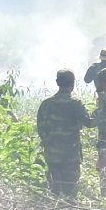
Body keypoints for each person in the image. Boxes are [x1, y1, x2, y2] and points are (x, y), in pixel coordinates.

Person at [35, 69, 90, 200]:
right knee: (70, 192)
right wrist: (102, 109)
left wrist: (49, 143)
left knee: (55, 190)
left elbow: (40, 128)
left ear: (57, 82)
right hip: (71, 154)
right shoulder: (76, 103)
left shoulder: (46, 104)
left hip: (52, 154)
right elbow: (89, 122)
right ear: (73, 83)